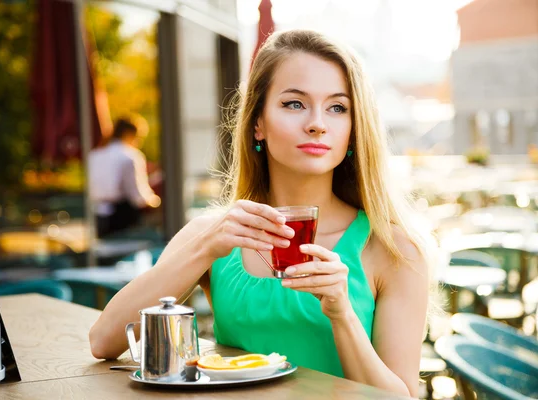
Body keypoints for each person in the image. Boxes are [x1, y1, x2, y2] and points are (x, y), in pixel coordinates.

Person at [89, 30, 434, 397]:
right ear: (258, 123)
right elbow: (104, 341)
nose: (317, 123)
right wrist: (205, 248)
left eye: (338, 107)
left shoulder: (395, 248)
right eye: (294, 104)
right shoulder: (214, 235)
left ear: (352, 130)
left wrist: (342, 314)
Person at [88, 115, 161, 237]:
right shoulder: (130, 156)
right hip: (122, 217)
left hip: (97, 214)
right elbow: (137, 195)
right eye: (139, 137)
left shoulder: (95, 155)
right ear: (129, 134)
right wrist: (155, 201)